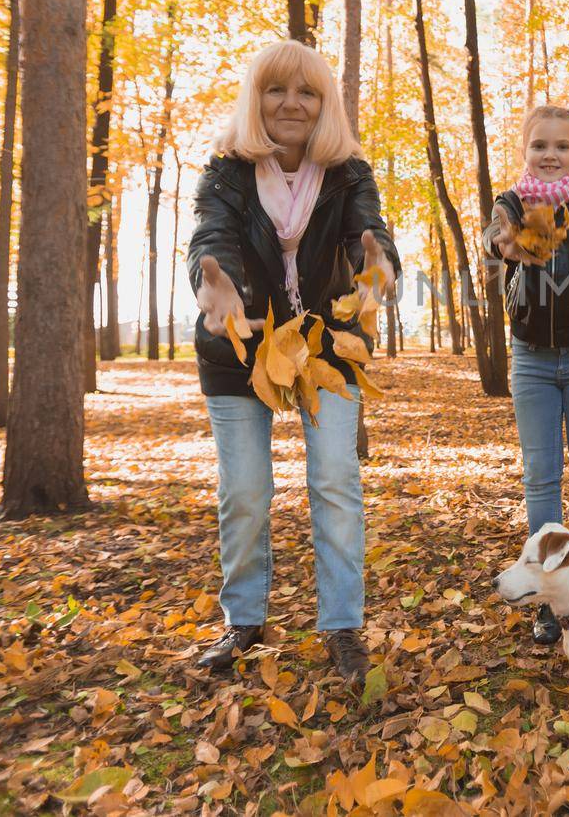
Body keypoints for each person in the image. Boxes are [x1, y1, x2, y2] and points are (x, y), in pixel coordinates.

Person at [188, 40, 399, 679]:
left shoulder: (348, 171)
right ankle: (243, 621)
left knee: (336, 479)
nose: (292, 103)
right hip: (240, 339)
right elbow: (211, 236)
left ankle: (342, 626)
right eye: (277, 90)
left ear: (324, 102)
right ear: (256, 99)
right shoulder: (225, 171)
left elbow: (370, 232)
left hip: (326, 347)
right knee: (245, 491)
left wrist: (377, 262)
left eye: (307, 92)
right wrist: (212, 279)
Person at [482, 105, 569, 645]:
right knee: (541, 474)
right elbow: (494, 238)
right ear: (525, 151)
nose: (550, 154)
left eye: (562, 146)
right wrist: (505, 243)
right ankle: (548, 591)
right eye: (540, 145)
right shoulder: (511, 203)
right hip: (532, 359)